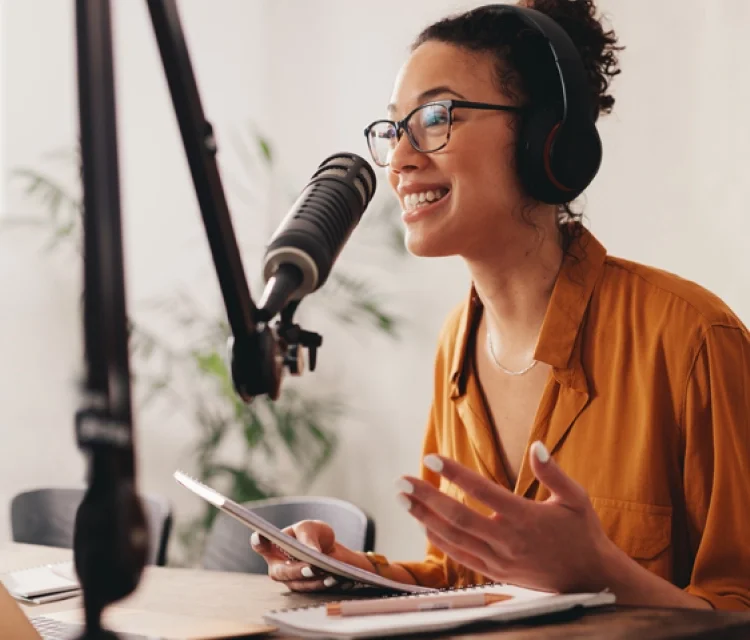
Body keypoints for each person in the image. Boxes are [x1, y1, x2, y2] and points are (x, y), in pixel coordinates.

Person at [251, 0, 750, 610]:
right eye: (393, 128)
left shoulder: (692, 340)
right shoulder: (456, 345)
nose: (402, 159)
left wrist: (604, 573)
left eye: (435, 116)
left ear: (547, 141)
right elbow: (468, 582)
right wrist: (354, 570)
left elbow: (740, 607)